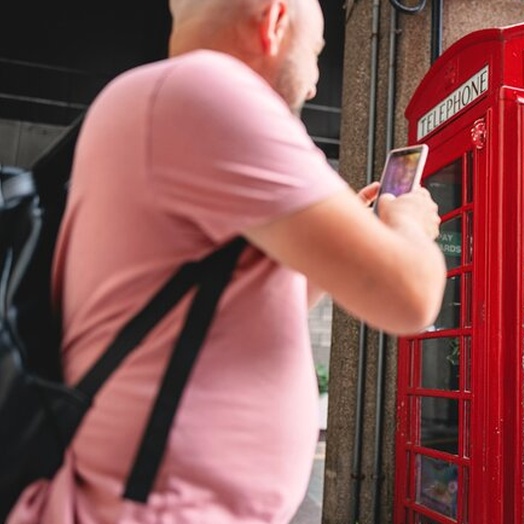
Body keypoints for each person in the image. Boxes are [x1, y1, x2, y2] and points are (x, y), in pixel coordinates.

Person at [8, 0, 446, 522]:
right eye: (316, 54)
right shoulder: (214, 91)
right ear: (275, 21)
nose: (312, 85)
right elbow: (411, 297)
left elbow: (231, 308)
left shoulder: (151, 98)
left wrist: (341, 237)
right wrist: (409, 221)